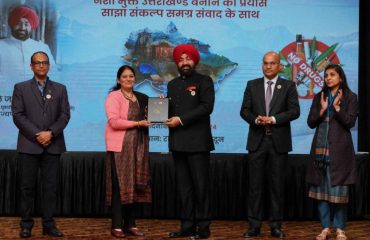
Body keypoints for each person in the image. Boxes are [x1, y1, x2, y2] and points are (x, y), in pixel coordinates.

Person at [240, 51, 300, 239]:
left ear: (280, 66)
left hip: (278, 142)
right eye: (265, 63)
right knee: (255, 186)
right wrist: (256, 120)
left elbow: (294, 111)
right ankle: (254, 226)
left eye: (272, 63)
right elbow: (244, 111)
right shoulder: (252, 85)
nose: (268, 66)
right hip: (257, 141)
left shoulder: (289, 86)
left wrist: (273, 119)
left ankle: (275, 225)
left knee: (276, 186)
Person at [11, 51, 70, 238]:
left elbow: (65, 115)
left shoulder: (60, 88)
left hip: (53, 145)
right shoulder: (20, 88)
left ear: (49, 65)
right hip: (29, 145)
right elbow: (18, 115)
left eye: (44, 62)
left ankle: (48, 225)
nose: (41, 65)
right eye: (37, 63)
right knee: (27, 187)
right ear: (31, 66)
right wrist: (38, 134)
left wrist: (50, 133)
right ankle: (26, 224)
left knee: (50, 188)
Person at [166, 44, 215, 239]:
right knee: (184, 188)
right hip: (178, 143)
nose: (184, 62)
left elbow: (207, 107)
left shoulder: (205, 81)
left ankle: (203, 228)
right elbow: (170, 113)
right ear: (177, 63)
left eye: (188, 59)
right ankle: (187, 226)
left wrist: (181, 120)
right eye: (181, 59)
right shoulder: (172, 84)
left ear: (195, 60)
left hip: (198, 144)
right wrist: (158, 109)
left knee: (201, 187)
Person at [306, 64, 358, 240]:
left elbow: (350, 123)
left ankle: (340, 228)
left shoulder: (351, 97)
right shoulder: (319, 96)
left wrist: (337, 108)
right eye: (326, 75)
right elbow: (311, 122)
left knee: (339, 192)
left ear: (340, 78)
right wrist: (321, 110)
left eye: (332, 75)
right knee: (321, 193)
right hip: (320, 152)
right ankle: (325, 228)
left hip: (340, 152)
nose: (328, 78)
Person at [104, 65, 152, 238]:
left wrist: (160, 104)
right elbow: (114, 122)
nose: (128, 79)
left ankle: (131, 224)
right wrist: (137, 124)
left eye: (131, 76)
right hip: (120, 148)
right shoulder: (113, 97)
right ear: (118, 80)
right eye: (124, 77)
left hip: (139, 147)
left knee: (135, 185)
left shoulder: (141, 97)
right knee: (120, 187)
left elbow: (152, 115)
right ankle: (117, 225)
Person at [0, 5, 56, 83]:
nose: (22, 27)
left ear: (32, 26)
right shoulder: (1, 46)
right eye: (18, 23)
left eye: (26, 24)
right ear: (12, 24)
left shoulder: (42, 47)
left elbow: (53, 74)